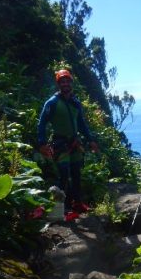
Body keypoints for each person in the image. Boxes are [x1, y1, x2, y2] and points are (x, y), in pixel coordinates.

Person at [37, 69, 98, 213]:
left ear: (71, 83)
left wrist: (91, 140)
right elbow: (42, 123)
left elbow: (82, 124)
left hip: (75, 143)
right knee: (63, 174)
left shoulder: (75, 103)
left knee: (76, 173)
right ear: (58, 84)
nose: (65, 84)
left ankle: (77, 203)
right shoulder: (52, 102)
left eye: (67, 81)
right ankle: (59, 208)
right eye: (62, 82)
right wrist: (42, 143)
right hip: (60, 143)